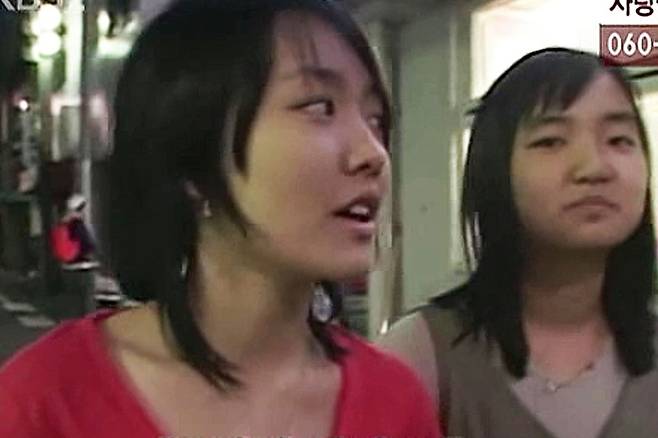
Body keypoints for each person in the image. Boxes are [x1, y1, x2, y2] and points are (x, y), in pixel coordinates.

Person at [0, 1, 441, 437]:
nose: (372, 154)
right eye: (319, 107)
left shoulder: (395, 403)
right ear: (193, 162)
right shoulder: (44, 401)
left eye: (375, 119)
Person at [379, 48, 658, 438]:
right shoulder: (422, 355)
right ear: (495, 170)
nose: (595, 168)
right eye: (551, 141)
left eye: (618, 140)